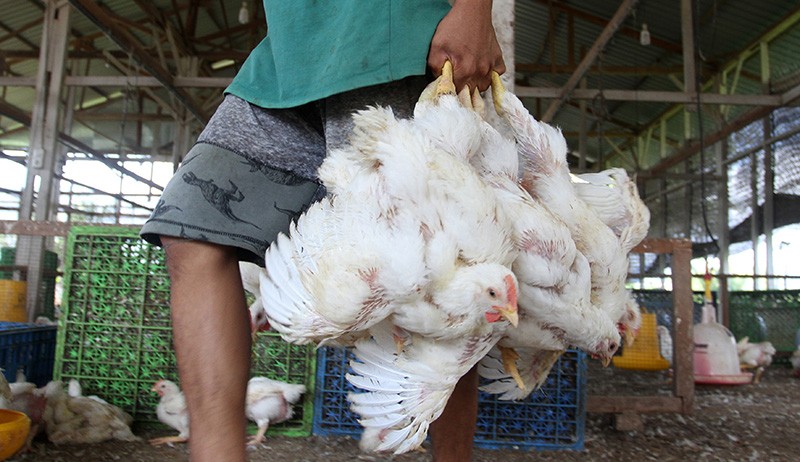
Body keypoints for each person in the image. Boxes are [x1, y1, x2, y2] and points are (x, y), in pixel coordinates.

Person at [140, 1, 505, 461]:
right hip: (286, 60)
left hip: (396, 37)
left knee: (438, 271)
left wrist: (474, 8)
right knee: (191, 230)